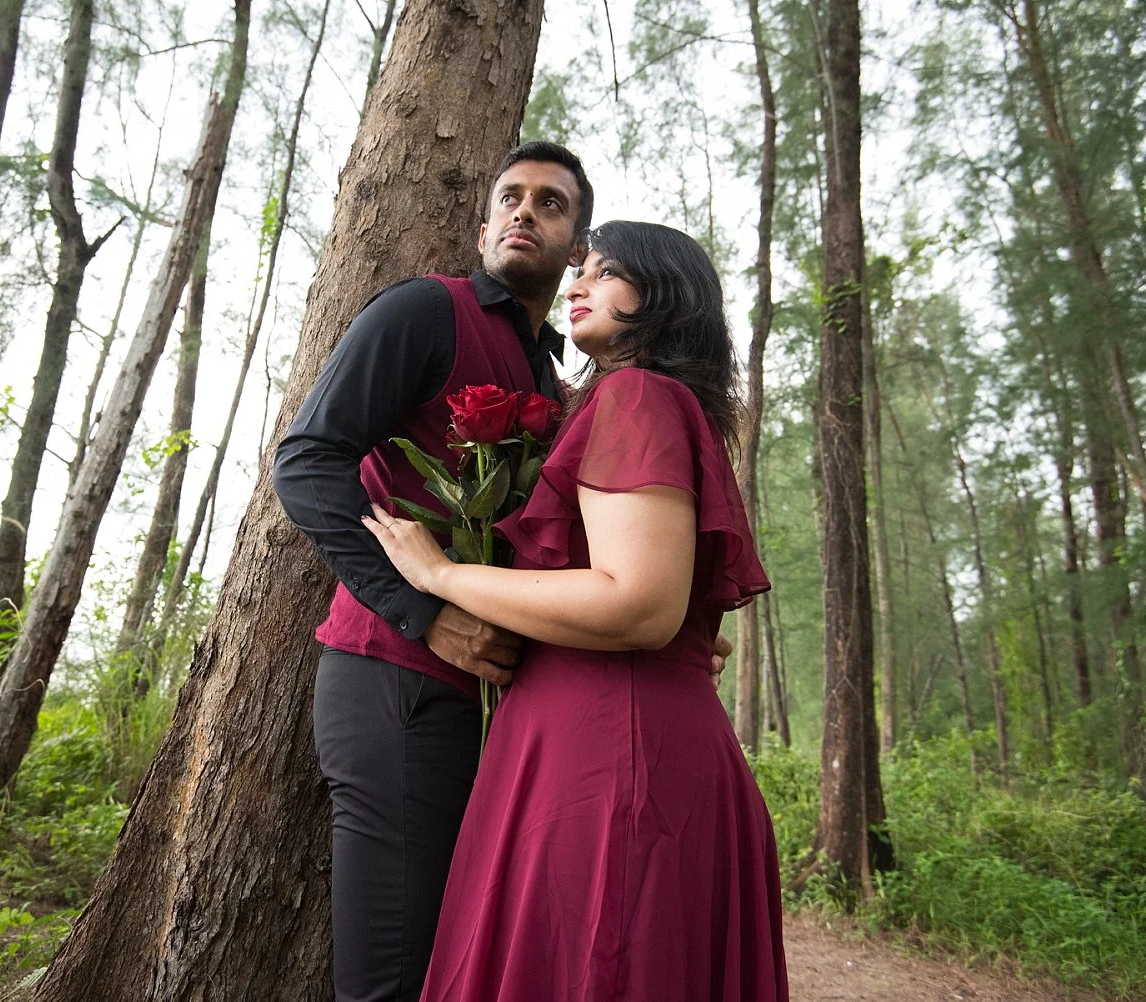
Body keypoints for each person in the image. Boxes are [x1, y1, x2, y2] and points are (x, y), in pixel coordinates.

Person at [273, 144, 732, 1002]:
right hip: (397, 676)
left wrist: (666, 629)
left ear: (574, 250)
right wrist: (423, 609)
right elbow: (306, 462)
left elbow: (603, 552)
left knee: (474, 958)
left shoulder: (559, 381)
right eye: (509, 198)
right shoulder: (426, 310)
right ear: (484, 230)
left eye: (551, 205)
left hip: (501, 704)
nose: (525, 211)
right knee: (398, 977)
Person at [364, 221, 789, 1001]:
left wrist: (442, 575)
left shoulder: (637, 396)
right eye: (579, 268)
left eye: (605, 270)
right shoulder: (650, 404)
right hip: (613, 747)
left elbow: (638, 604)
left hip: (611, 765)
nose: (577, 282)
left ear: (662, 295)